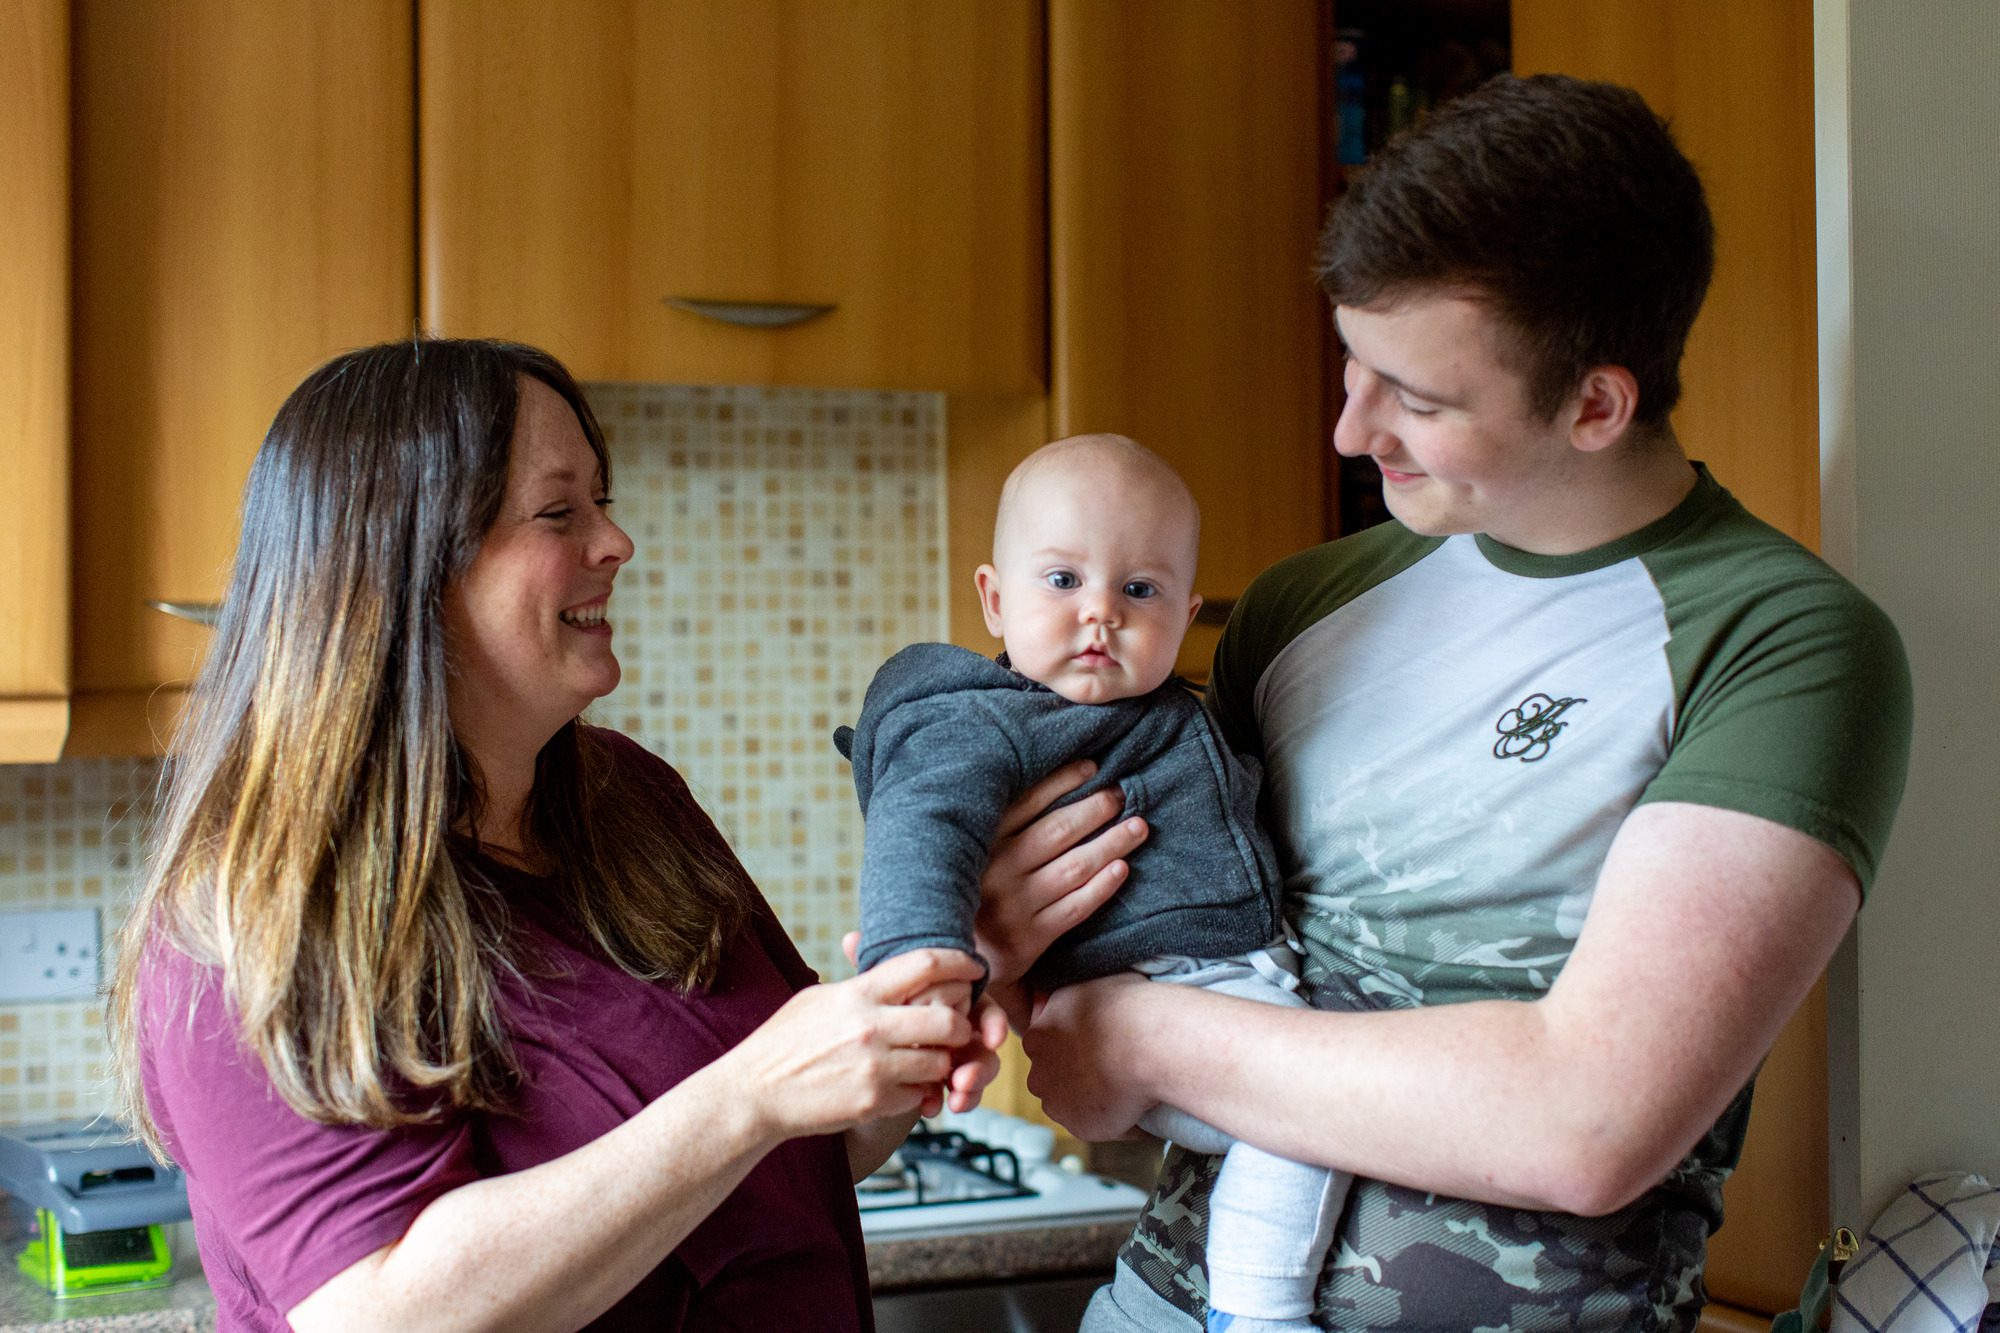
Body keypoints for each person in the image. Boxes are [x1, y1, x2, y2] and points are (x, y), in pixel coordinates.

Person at [991, 74, 1915, 1330]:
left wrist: (1141, 1037)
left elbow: (1587, 1122)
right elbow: (1100, 1050)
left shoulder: (1779, 643)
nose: (1347, 431)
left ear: (1595, 402)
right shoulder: (1291, 610)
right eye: (1352, 368)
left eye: (1416, 399)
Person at [106, 337, 1009, 1333]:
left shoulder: (633, 803)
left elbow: (794, 1154)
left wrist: (906, 1039)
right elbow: (382, 1311)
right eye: (558, 511)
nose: (614, 542)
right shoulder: (252, 911)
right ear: (407, 565)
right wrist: (754, 1091)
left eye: (602, 501)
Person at [837, 434, 1344, 1333]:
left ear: (1186, 614)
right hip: (1154, 984)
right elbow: (925, 825)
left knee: (1314, 1120)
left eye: (1138, 590)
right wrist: (915, 958)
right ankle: (1260, 1313)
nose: (1100, 614)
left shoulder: (1167, 712)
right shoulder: (984, 721)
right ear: (994, 600)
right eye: (1064, 581)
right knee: (1307, 1122)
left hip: (1207, 988)